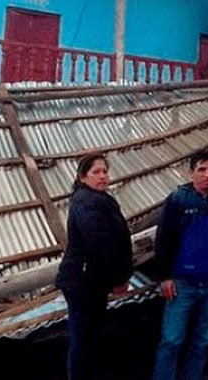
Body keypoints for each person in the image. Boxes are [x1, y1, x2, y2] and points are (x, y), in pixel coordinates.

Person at [153, 150, 208, 380]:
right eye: (201, 170)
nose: (207, 175)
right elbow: (163, 240)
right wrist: (164, 276)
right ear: (191, 173)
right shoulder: (177, 201)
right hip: (182, 285)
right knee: (172, 341)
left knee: (203, 342)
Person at [55, 153, 133, 380]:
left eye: (105, 171)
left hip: (91, 281)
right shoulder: (87, 201)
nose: (102, 177)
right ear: (82, 177)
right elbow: (100, 245)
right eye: (96, 172)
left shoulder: (99, 198)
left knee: (89, 339)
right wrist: (120, 278)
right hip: (83, 282)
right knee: (84, 340)